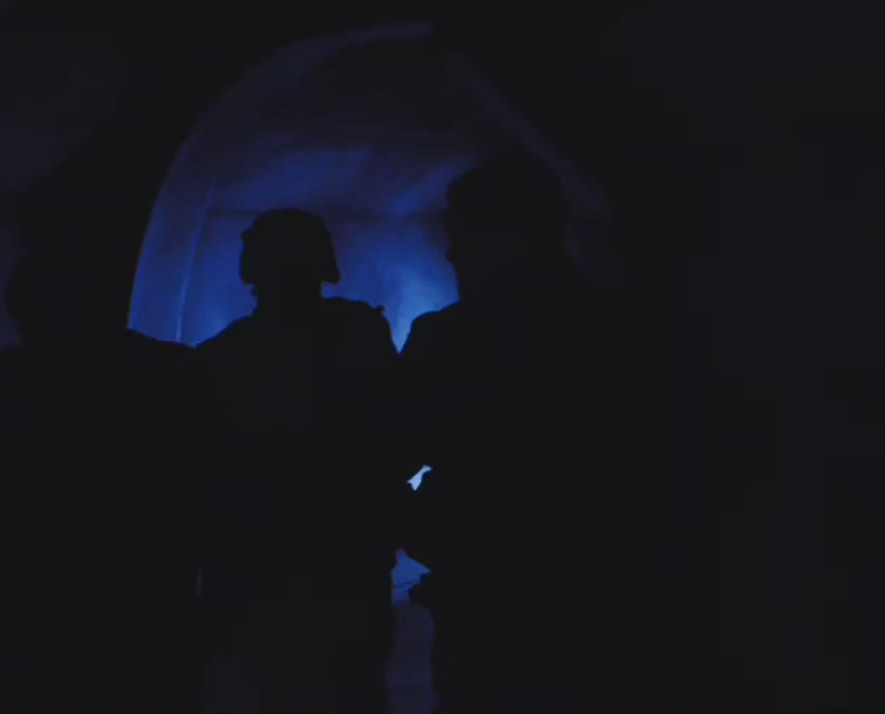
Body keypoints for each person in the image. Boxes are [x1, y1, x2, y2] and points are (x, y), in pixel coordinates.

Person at [400, 151, 678, 712]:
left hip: (486, 593)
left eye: (463, 233)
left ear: (507, 235)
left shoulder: (450, 339)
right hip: (600, 596)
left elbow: (393, 447)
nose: (452, 252)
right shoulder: (627, 331)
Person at [0, 248, 203, 713]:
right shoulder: (179, 376)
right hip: (155, 629)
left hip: (33, 634)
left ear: (21, 310)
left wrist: (3, 539)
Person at [196, 209, 412, 713]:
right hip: (340, 549)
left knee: (293, 684)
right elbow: (397, 431)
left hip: (281, 554)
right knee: (348, 683)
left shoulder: (226, 355)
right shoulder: (358, 332)